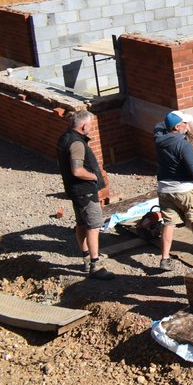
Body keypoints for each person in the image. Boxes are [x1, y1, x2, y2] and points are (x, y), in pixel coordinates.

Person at [153, 110, 193, 271]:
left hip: (164, 189)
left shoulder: (158, 138)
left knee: (169, 223)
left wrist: (170, 121)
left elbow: (159, 125)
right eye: (184, 123)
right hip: (184, 189)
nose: (187, 126)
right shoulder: (183, 145)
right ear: (176, 127)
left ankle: (164, 259)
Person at [56, 110, 112, 279]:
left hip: (74, 191)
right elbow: (77, 170)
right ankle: (95, 265)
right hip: (84, 191)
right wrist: (94, 176)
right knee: (94, 225)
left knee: (81, 223)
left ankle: (86, 258)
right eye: (90, 125)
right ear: (84, 126)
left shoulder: (64, 138)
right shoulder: (77, 143)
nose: (91, 128)